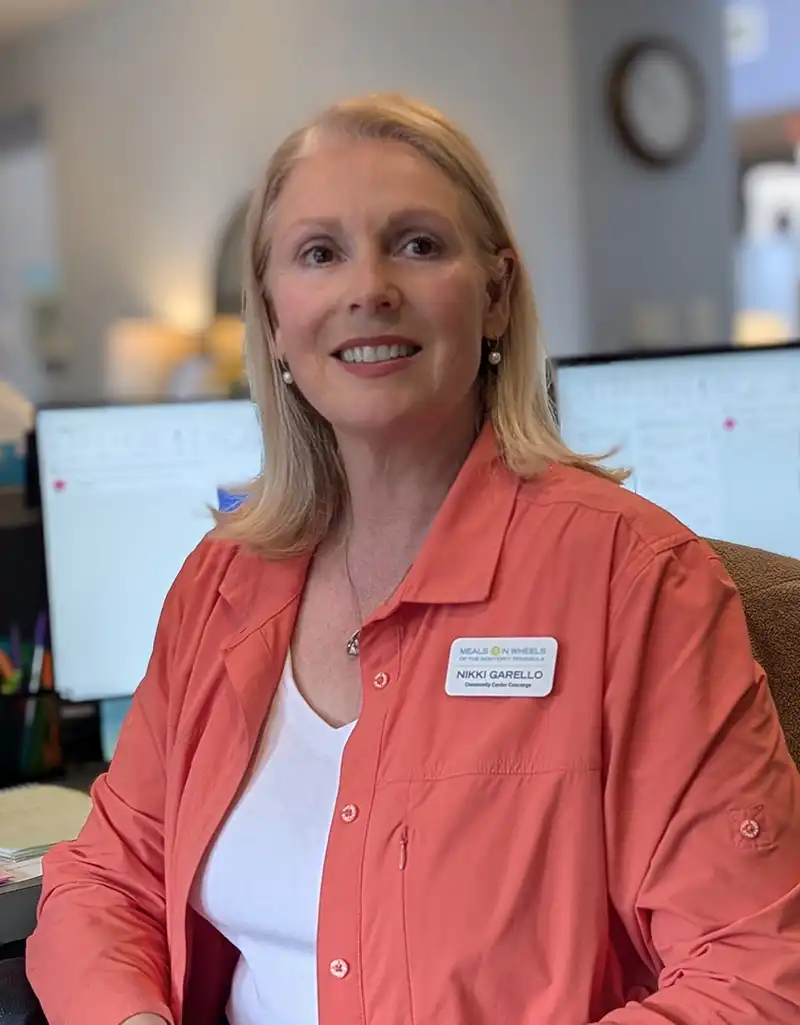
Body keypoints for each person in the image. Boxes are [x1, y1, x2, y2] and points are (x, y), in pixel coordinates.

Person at [27, 94, 800, 1025]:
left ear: (499, 296)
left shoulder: (633, 581)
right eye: (320, 253)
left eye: (418, 245)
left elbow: (753, 976)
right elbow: (107, 875)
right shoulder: (220, 586)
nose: (369, 288)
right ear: (273, 318)